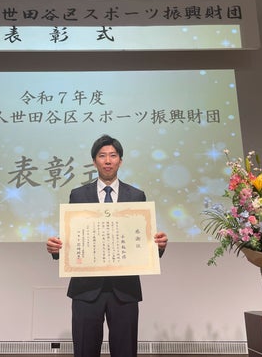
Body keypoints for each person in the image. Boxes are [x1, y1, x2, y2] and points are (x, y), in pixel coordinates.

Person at [46, 134, 168, 357]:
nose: (108, 160)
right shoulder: (78, 195)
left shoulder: (136, 196)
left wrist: (158, 246)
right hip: (86, 289)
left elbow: (142, 241)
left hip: (125, 290)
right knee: (84, 350)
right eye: (102, 156)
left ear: (120, 160)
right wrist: (56, 249)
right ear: (94, 161)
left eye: (113, 155)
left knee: (125, 351)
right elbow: (74, 239)